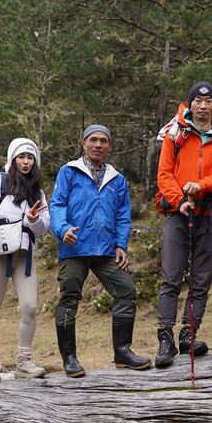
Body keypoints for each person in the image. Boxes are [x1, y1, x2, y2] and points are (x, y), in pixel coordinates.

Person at [49, 124, 151, 377]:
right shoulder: (69, 172)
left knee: (126, 290)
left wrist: (121, 245)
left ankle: (123, 353)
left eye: (103, 141)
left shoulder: (117, 178)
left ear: (109, 146)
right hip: (75, 247)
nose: (97, 145)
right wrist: (63, 230)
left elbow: (123, 215)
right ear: (83, 143)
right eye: (93, 140)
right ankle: (70, 358)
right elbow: (57, 204)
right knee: (69, 298)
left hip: (106, 249)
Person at [154, 81, 212, 368]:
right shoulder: (175, 134)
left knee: (201, 279)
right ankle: (165, 338)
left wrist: (201, 186)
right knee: (171, 277)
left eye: (208, 101)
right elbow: (164, 174)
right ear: (190, 104)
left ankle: (189, 334)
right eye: (198, 101)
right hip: (179, 213)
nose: (203, 106)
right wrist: (180, 201)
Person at [0, 138, 50, 382]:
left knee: (29, 306)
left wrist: (33, 219)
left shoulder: (38, 192)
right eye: (21, 157)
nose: (26, 162)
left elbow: (43, 229)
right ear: (13, 159)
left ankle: (23, 362)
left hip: (24, 254)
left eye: (30, 158)